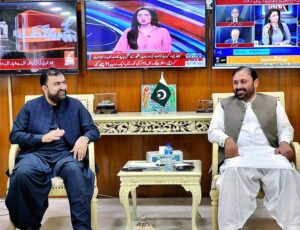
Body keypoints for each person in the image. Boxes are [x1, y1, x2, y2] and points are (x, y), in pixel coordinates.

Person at [5, 68, 100, 230]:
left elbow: (93, 130)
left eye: (64, 82)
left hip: (67, 155)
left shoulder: (75, 105)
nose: (63, 87)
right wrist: (42, 138)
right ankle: (28, 226)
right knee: (22, 174)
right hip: (36, 155)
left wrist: (84, 138)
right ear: (44, 88)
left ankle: (82, 227)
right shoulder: (30, 107)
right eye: (56, 84)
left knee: (77, 173)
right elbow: (15, 136)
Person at [208, 66, 300, 230]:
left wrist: (285, 142)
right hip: (239, 156)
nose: (238, 86)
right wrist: (226, 139)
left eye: (243, 81)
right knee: (231, 173)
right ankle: (230, 227)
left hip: (269, 154)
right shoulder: (224, 105)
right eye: (235, 82)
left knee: (287, 172)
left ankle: (293, 226)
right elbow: (213, 131)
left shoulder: (273, 102)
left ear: (255, 83)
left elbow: (285, 128)